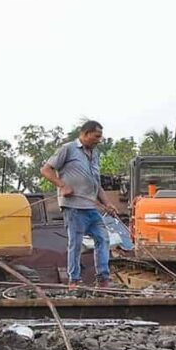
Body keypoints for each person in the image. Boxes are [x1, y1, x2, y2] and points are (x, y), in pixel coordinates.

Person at [40, 121, 119, 290]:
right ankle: (74, 280)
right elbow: (46, 170)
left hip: (91, 208)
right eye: (96, 136)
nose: (99, 140)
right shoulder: (68, 149)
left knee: (103, 239)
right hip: (74, 206)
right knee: (75, 243)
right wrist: (62, 185)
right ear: (85, 134)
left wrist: (108, 204)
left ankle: (103, 279)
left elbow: (97, 185)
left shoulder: (95, 154)